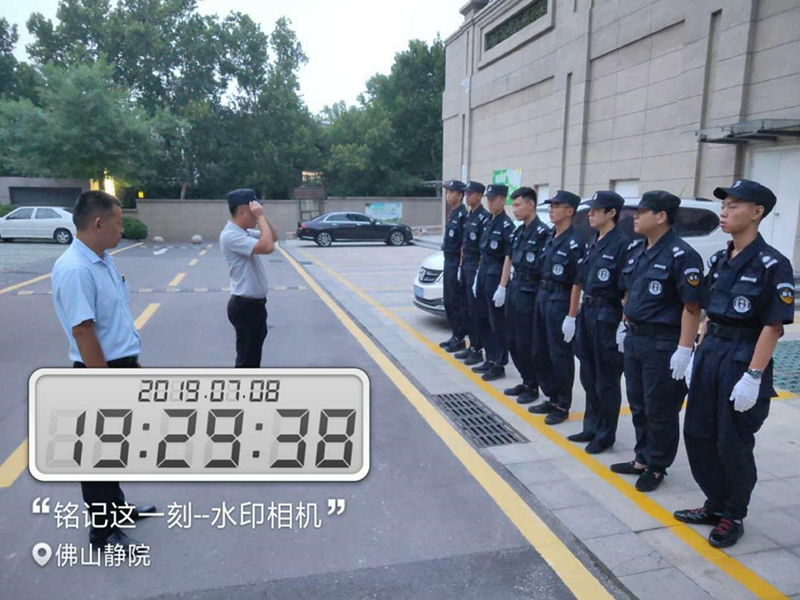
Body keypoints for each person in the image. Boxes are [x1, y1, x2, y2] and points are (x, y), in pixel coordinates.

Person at [675, 179, 795, 548]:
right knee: (698, 433)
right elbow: (707, 310)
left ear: (757, 212)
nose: (724, 212)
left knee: (732, 441)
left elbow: (773, 326)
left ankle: (734, 513)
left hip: (742, 357)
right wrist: (692, 351)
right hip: (712, 351)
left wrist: (753, 375)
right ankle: (715, 502)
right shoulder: (719, 259)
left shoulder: (773, 264)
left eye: (733, 206)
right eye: (724, 205)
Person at [51, 190, 156, 552]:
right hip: (98, 369)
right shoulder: (76, 269)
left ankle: (117, 509)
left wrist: (130, 359)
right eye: (118, 222)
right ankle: (103, 533)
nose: (121, 228)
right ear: (98, 223)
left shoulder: (102, 259)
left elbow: (113, 319)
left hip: (117, 363)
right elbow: (83, 331)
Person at [612, 191, 703, 492]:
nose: (635, 217)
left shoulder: (682, 255)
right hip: (636, 338)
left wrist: (684, 349)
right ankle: (642, 457)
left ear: (661, 216)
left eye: (642, 212)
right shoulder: (638, 250)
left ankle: (657, 465)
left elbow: (692, 306)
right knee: (638, 403)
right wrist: (624, 324)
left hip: (662, 342)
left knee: (659, 408)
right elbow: (629, 292)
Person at [566, 191, 629, 453]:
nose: (590, 214)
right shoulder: (593, 241)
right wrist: (572, 316)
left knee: (606, 378)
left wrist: (624, 323)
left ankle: (605, 433)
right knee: (588, 374)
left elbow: (627, 289)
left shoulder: (622, 245)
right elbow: (580, 280)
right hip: (589, 312)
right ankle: (591, 425)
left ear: (611, 213)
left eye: (596, 210)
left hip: (608, 315)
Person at [528, 190, 583, 425]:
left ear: (569, 211)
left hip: (560, 299)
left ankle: (562, 403)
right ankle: (551, 396)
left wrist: (571, 315)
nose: (551, 210)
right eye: (550, 206)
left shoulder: (575, 242)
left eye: (556, 206)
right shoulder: (551, 236)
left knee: (559, 354)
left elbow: (577, 282)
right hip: (543, 295)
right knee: (539, 350)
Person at [501, 187, 550, 404]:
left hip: (530, 292)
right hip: (515, 287)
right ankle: (526, 379)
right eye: (513, 205)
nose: (514, 209)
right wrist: (503, 286)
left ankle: (533, 384)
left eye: (518, 205)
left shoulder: (542, 233)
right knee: (511, 339)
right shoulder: (518, 232)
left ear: (531, 205)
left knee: (526, 341)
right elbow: (510, 258)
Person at [220, 189, 278, 368]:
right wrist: (259, 217)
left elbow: (273, 238)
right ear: (242, 211)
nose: (256, 214)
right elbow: (267, 247)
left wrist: (261, 216)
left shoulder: (243, 232)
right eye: (252, 210)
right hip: (245, 307)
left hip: (255, 306)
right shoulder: (231, 235)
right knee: (246, 360)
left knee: (253, 357)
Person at [471, 183, 514, 381]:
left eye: (493, 199)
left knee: (497, 321)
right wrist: (477, 275)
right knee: (483, 317)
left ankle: (499, 363)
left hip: (496, 275)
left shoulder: (506, 225)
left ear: (502, 200)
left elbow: (508, 257)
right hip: (484, 273)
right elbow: (483, 251)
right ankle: (490, 357)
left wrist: (502, 286)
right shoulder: (488, 221)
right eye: (488, 199)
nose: (489, 202)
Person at [455, 181, 490, 366]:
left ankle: (478, 349)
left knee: (476, 311)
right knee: (467, 309)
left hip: (476, 266)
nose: (467, 197)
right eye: (466, 194)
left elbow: (483, 249)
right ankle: (472, 344)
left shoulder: (484, 218)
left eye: (470, 194)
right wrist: (461, 266)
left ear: (479, 196)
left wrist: (477, 272)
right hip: (466, 266)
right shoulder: (469, 216)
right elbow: (464, 244)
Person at [439, 180, 470, 353]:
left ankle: (460, 337)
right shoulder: (453, 213)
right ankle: (455, 335)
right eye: (447, 192)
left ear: (460, 195)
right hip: (448, 260)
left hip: (455, 261)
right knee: (449, 300)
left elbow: (463, 244)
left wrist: (460, 266)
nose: (448, 195)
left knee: (457, 301)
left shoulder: (463, 215)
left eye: (451, 192)